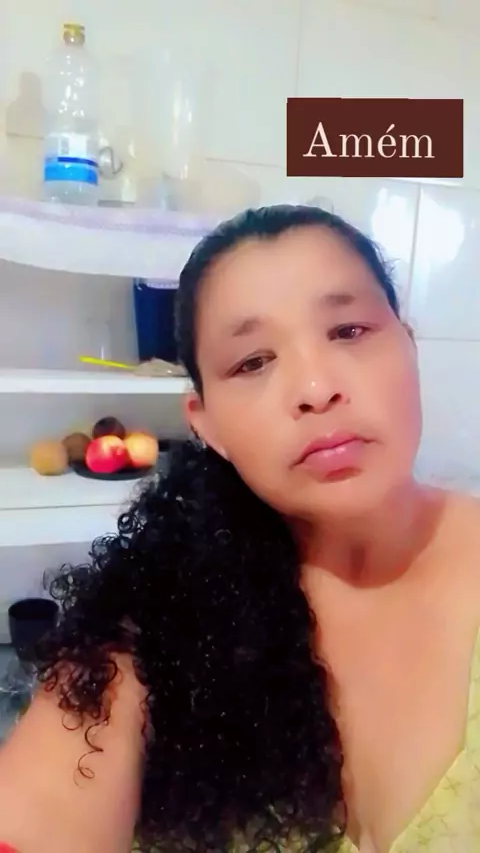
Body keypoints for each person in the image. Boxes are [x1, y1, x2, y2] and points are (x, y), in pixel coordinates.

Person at [1, 204, 480, 853]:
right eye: (252, 362)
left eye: (348, 330)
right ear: (207, 425)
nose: (316, 387)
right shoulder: (161, 614)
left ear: (408, 345)